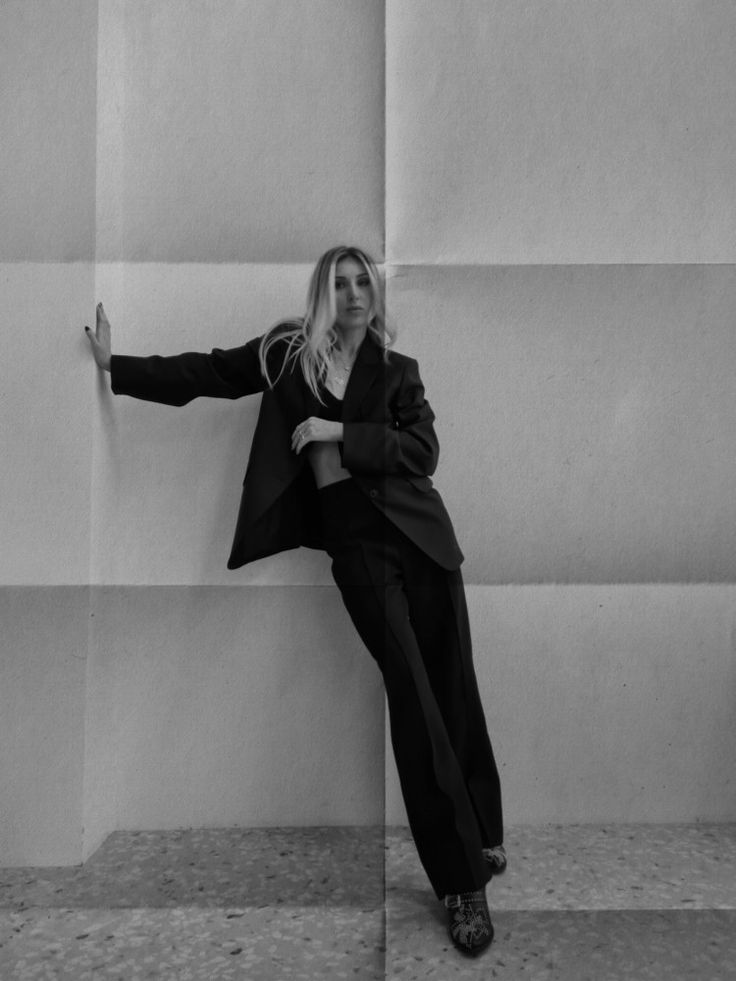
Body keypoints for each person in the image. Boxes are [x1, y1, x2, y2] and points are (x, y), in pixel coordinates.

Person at [84, 244, 506, 956]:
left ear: (374, 294)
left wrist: (341, 431)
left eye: (362, 282)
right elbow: (210, 371)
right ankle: (462, 881)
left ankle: (485, 830)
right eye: (339, 282)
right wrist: (115, 368)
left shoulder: (398, 371)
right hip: (359, 547)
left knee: (453, 686)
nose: (352, 293)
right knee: (413, 691)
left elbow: (424, 450)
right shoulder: (287, 355)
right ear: (320, 291)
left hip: (425, 539)